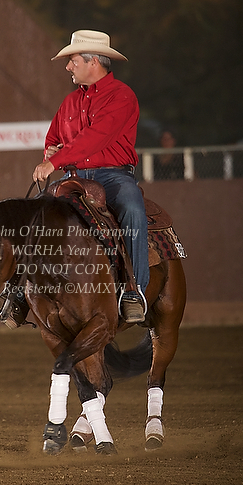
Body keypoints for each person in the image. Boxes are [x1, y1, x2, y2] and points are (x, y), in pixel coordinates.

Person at [32, 30, 149, 323]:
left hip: (112, 176)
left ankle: (134, 290)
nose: (68, 67)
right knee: (35, 213)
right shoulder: (70, 102)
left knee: (132, 208)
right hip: (74, 176)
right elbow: (53, 137)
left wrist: (54, 161)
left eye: (73, 61)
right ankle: (22, 291)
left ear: (93, 62)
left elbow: (96, 137)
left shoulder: (122, 96)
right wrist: (50, 152)